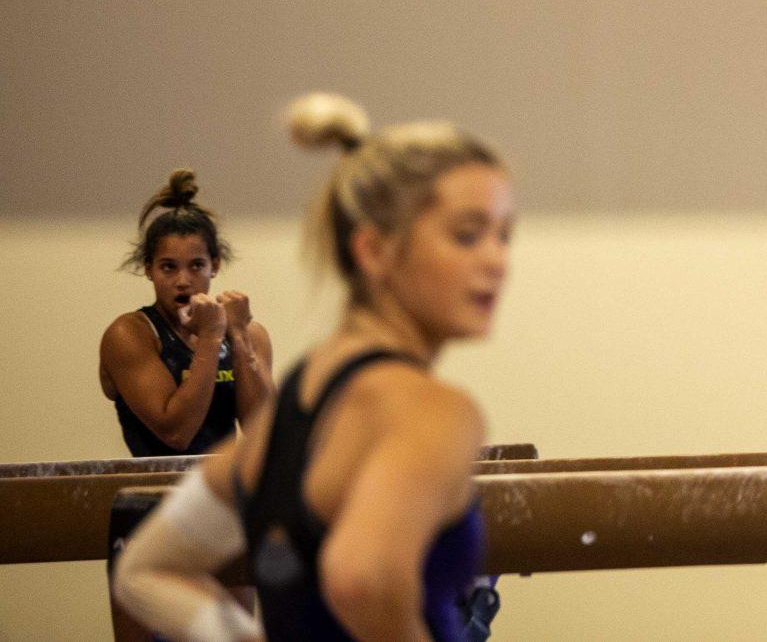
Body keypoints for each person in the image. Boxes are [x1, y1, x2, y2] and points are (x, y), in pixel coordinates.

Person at [112, 94, 512, 642]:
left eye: (503, 234)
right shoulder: (429, 409)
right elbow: (361, 581)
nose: (496, 259)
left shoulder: (306, 393)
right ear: (374, 251)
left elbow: (145, 570)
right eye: (467, 234)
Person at [100, 171, 273, 457]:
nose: (183, 281)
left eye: (196, 266)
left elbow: (265, 436)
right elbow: (177, 434)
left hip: (222, 493)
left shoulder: (248, 333)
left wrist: (239, 336)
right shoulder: (130, 334)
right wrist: (210, 336)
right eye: (168, 267)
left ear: (214, 266)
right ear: (148, 268)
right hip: (155, 498)